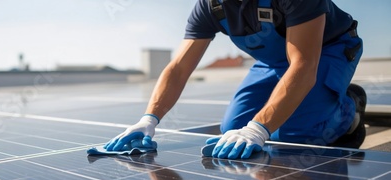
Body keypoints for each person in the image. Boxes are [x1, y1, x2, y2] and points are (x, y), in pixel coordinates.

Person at [104, 0, 366, 159]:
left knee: (293, 134)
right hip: (272, 62)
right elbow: (179, 68)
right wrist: (149, 119)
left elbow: (304, 66)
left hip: (326, 51)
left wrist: (258, 129)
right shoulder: (210, 7)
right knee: (232, 128)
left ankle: (349, 109)